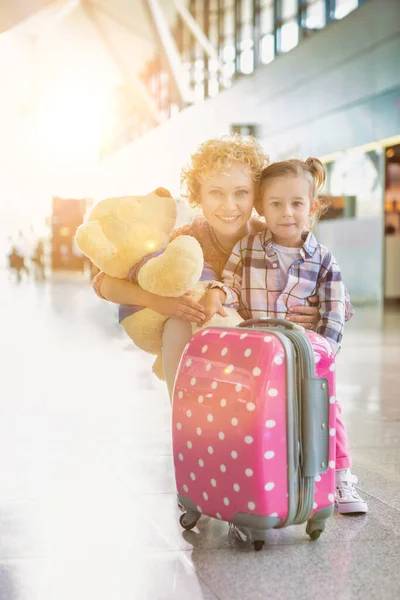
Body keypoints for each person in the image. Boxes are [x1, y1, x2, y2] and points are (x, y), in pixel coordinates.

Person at [93, 135, 322, 399]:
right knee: (178, 320)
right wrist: (155, 301)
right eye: (216, 193)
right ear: (197, 196)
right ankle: (183, 410)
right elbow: (103, 283)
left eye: (241, 193)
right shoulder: (186, 240)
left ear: (257, 197)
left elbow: (319, 283)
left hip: (266, 358)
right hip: (206, 359)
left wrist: (316, 312)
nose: (229, 206)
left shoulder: (275, 239)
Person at [205, 157, 368, 514]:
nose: (287, 212)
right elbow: (234, 287)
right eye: (276, 204)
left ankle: (340, 477)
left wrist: (325, 348)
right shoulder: (246, 249)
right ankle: (259, 477)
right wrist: (218, 293)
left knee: (324, 410)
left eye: (296, 204)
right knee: (259, 416)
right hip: (257, 356)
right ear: (261, 208)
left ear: (312, 207)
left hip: (306, 356)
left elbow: (337, 308)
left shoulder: (323, 259)